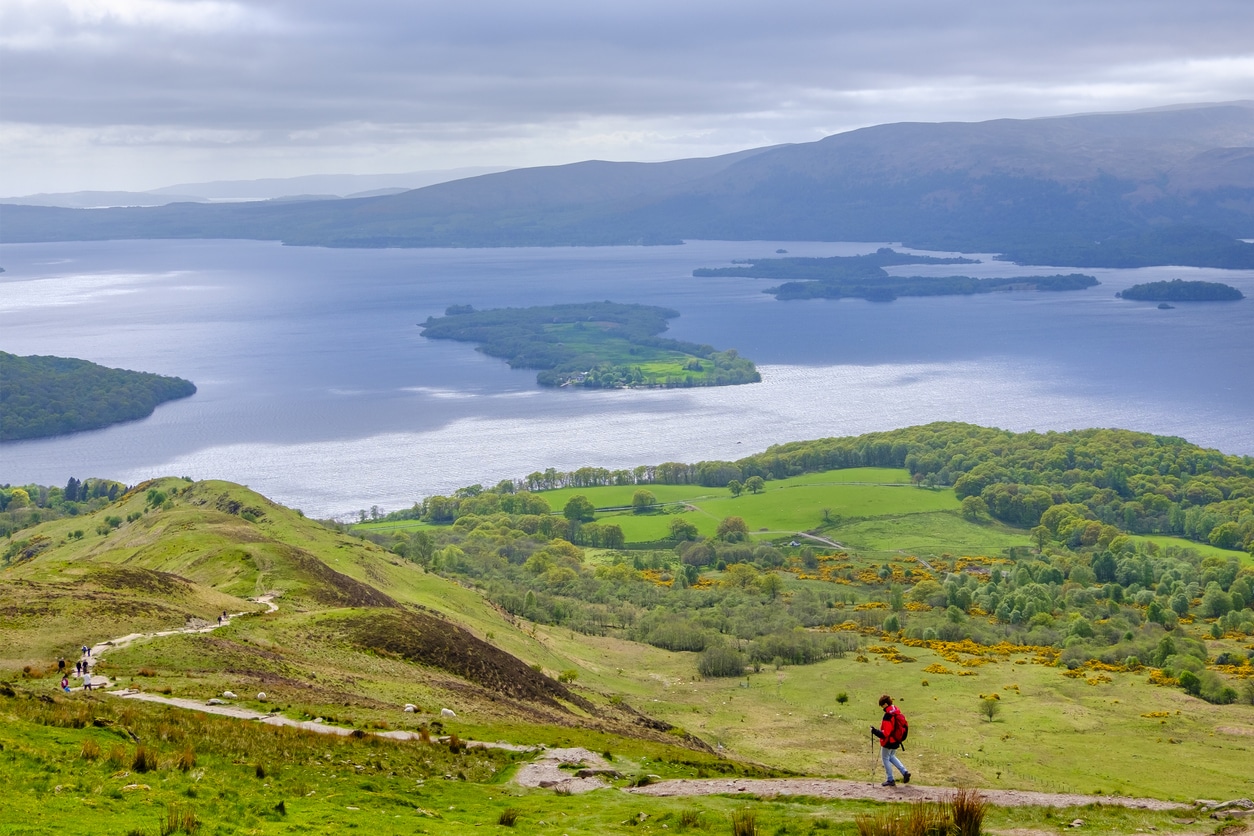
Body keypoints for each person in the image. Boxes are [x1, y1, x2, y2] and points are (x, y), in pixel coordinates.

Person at [871, 694, 910, 787]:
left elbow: (886, 733)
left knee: (885, 758)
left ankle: (890, 779)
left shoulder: (888, 716)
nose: (881, 707)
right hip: (897, 740)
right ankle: (904, 772)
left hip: (889, 741)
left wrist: (874, 731)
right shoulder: (896, 711)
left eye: (881, 705)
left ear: (885, 704)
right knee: (892, 756)